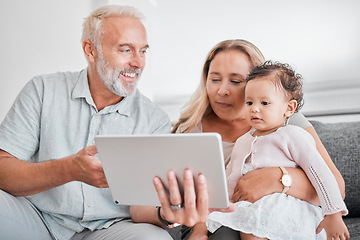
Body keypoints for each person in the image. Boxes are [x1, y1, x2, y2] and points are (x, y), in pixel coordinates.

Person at [0, 5, 212, 240]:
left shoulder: (154, 120)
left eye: (143, 51)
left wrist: (166, 214)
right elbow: (3, 170)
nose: (138, 62)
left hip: (110, 229)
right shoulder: (42, 90)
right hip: (38, 218)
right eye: (126, 50)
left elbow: (141, 206)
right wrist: (69, 170)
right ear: (90, 51)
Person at [172, 39, 346, 240]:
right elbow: (222, 191)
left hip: (284, 210)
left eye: (236, 81)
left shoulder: (288, 121)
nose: (222, 91)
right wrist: (201, 229)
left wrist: (278, 178)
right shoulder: (196, 131)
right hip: (221, 217)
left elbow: (334, 185)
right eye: (215, 79)